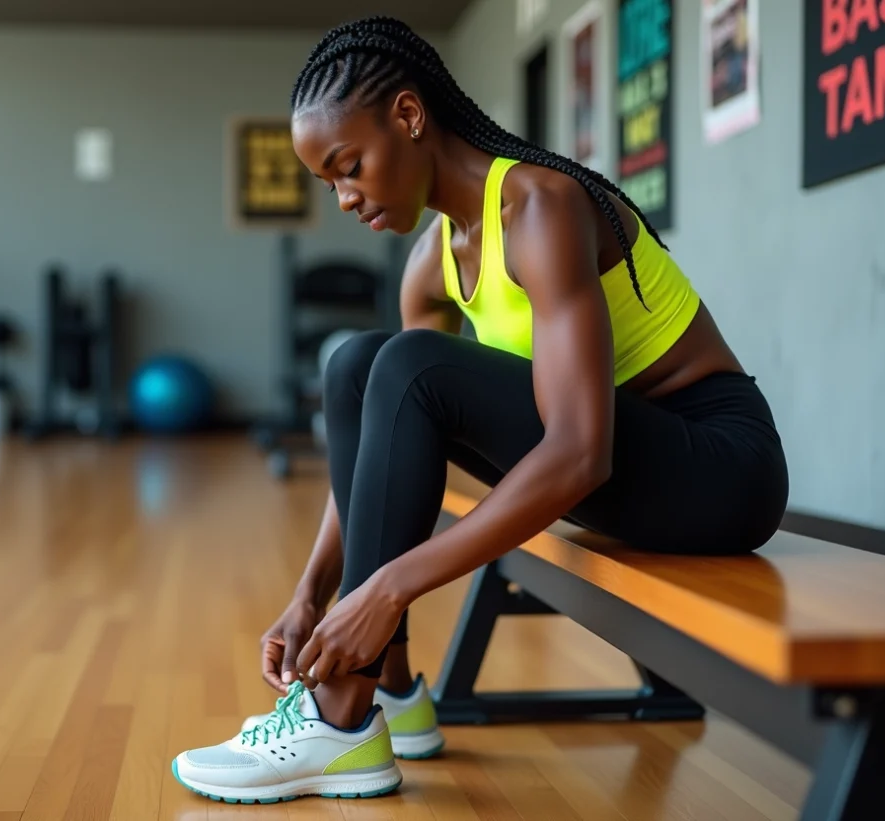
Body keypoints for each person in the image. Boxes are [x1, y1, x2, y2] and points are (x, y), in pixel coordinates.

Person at [171, 15, 789, 804]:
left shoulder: (541, 207)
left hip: (720, 470)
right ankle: (386, 688)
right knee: (361, 362)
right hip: (628, 466)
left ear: (407, 115)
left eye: (349, 165)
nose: (344, 197)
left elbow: (579, 454)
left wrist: (389, 588)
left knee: (404, 362)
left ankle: (337, 717)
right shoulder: (431, 260)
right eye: (329, 182)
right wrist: (312, 593)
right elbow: (380, 444)